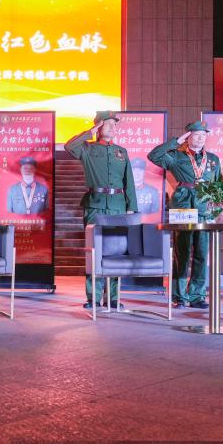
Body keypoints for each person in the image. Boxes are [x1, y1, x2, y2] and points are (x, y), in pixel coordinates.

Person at [65, 110, 137, 309]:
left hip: (118, 207)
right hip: (95, 205)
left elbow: (129, 181)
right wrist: (90, 132)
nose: (113, 127)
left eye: (115, 124)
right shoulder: (87, 149)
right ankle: (94, 298)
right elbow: (69, 146)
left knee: (117, 252)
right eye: (108, 124)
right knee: (93, 251)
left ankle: (113, 297)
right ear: (98, 126)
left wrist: (131, 207)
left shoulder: (121, 152)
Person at [148, 121, 222, 309]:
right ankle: (179, 296)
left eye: (203, 135)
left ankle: (197, 295)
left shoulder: (213, 159)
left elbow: (219, 185)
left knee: (202, 253)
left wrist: (221, 207)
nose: (200, 138)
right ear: (188, 137)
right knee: (182, 252)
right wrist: (177, 141)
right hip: (183, 205)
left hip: (204, 207)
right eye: (196, 134)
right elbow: (154, 155)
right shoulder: (176, 156)